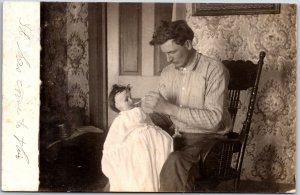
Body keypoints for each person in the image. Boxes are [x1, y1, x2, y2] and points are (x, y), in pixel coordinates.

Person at [142, 20, 233, 192]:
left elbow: (213, 120)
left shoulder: (214, 70)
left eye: (172, 52)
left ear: (188, 44)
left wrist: (169, 108)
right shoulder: (168, 72)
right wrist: (143, 116)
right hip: (178, 137)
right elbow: (165, 116)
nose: (168, 59)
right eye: (165, 54)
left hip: (210, 141)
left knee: (174, 161)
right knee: (138, 149)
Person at [101, 84, 173, 192]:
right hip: (134, 146)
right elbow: (115, 137)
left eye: (130, 97)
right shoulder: (122, 118)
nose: (131, 100)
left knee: (155, 151)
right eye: (126, 99)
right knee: (137, 165)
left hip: (147, 142)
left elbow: (148, 122)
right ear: (117, 106)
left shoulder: (137, 110)